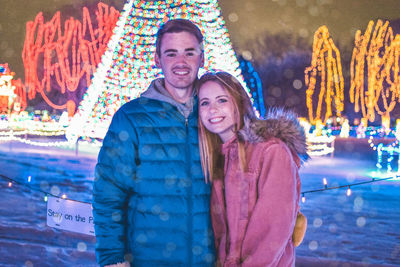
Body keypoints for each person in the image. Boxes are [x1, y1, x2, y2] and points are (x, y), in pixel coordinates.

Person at [92, 19, 215, 267]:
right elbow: (108, 194)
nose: (181, 62)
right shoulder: (131, 118)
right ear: (158, 59)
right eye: (171, 53)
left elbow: (250, 170)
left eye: (189, 53)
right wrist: (112, 258)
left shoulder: (217, 115)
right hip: (148, 259)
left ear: (201, 58)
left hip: (211, 260)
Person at [197, 72, 309, 266]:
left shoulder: (270, 151)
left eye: (221, 100)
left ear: (238, 103)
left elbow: (272, 231)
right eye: (204, 103)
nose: (212, 109)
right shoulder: (217, 158)